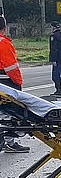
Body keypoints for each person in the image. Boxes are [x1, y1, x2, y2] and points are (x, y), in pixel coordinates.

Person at [0, 17, 30, 153]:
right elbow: (11, 68)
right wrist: (18, 84)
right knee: (9, 113)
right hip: (5, 82)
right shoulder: (3, 43)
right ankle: (10, 142)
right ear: (4, 28)